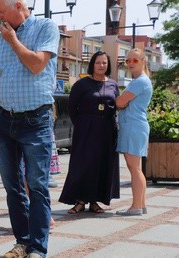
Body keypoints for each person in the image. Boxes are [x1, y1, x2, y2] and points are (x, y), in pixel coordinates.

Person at [0, 0, 59, 257]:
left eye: (1, 12)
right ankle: (23, 241)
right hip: (4, 121)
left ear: (18, 6)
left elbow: (37, 64)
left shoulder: (45, 27)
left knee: (36, 185)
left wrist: (13, 40)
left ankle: (38, 248)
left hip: (35, 121)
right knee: (12, 187)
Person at [58, 51, 120, 214]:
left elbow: (117, 105)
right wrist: (83, 123)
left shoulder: (113, 84)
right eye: (98, 62)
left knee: (101, 164)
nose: (101, 65)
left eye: (104, 63)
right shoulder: (82, 84)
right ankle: (80, 200)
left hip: (106, 128)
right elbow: (72, 108)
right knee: (83, 163)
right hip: (86, 128)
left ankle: (95, 201)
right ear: (92, 64)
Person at [115, 48, 153, 216]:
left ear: (143, 61)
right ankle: (141, 204)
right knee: (136, 167)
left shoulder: (139, 82)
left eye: (135, 60)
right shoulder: (140, 80)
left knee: (134, 167)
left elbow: (120, 102)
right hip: (135, 126)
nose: (130, 63)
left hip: (133, 126)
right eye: (128, 60)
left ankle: (136, 206)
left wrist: (120, 102)